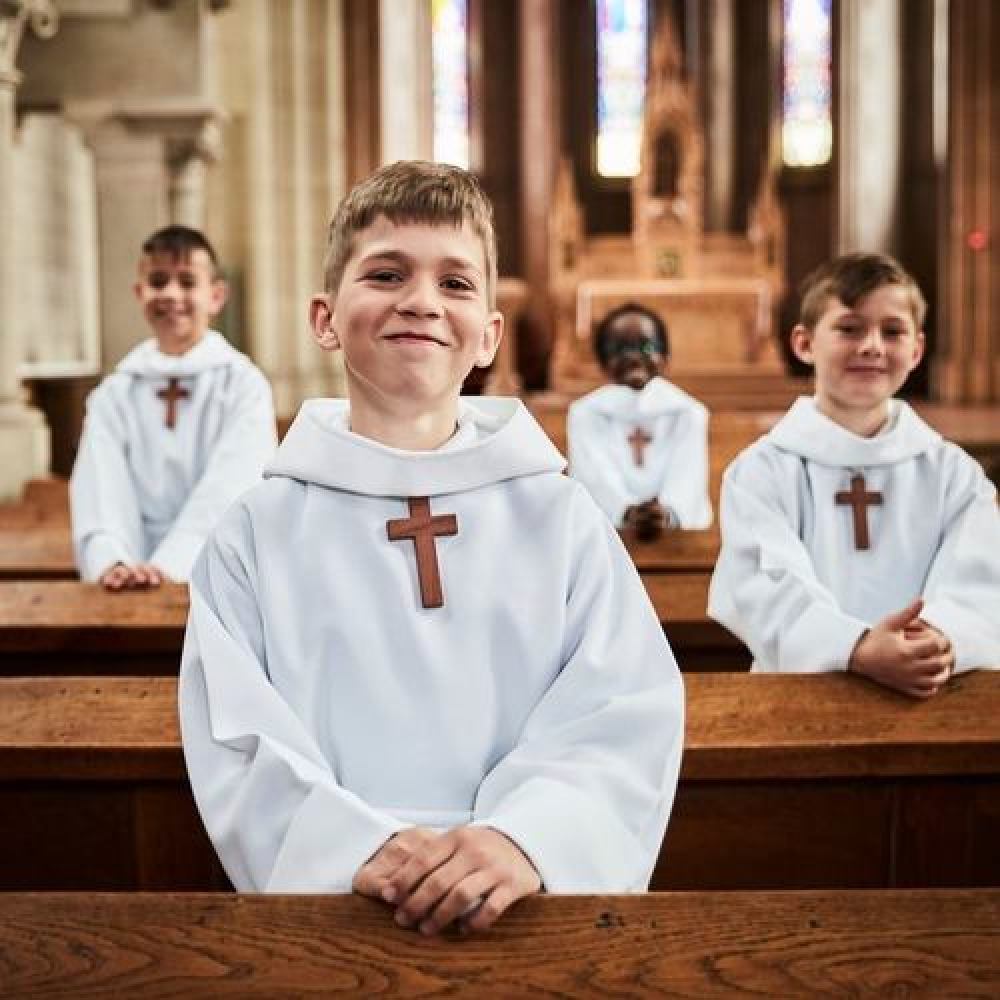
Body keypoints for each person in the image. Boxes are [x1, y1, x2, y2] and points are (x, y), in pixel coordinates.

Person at [179, 161, 683, 935]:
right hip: (337, 912)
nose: (420, 301)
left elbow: (624, 707)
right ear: (324, 317)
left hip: (524, 905)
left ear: (488, 335)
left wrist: (523, 837)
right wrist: (358, 847)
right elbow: (237, 736)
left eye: (456, 283)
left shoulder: (559, 514)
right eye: (386, 273)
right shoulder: (254, 533)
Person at [708, 252, 1000, 697]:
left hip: (934, 691)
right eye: (849, 328)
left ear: (917, 349)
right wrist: (856, 648)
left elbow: (980, 579)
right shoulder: (760, 472)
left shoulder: (954, 473)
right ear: (804, 344)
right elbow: (764, 589)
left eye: (893, 331)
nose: (872, 346)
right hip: (799, 696)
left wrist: (941, 640)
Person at [70, 225, 277, 589]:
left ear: (215, 296)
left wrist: (170, 567)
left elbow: (233, 486)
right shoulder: (114, 394)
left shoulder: (244, 386)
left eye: (186, 281)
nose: (170, 294)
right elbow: (100, 487)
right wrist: (113, 561)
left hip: (219, 576)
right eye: (158, 280)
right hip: (125, 578)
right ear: (139, 293)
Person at [567, 302, 712, 540]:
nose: (634, 357)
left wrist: (667, 514)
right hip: (606, 538)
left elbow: (688, 481)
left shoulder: (688, 412)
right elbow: (593, 479)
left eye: (646, 346)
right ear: (603, 362)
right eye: (620, 349)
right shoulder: (585, 413)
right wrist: (627, 512)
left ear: (665, 357)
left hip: (677, 542)